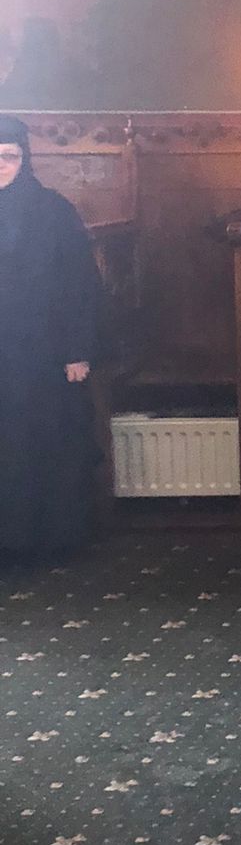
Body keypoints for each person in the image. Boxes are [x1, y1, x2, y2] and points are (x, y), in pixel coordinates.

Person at [0, 118, 103, 560]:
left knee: (44, 442)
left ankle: (47, 542)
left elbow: (79, 284)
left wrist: (78, 350)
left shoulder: (52, 211)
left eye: (8, 156)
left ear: (24, 158)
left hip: (41, 352)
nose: (0, 165)